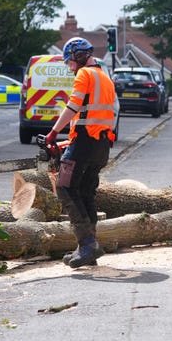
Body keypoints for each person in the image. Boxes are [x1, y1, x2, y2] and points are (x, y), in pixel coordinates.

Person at [45, 37, 118, 268]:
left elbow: (74, 106)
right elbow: (97, 115)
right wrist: (72, 139)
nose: (70, 67)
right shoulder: (105, 77)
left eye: (70, 62)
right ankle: (88, 246)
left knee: (65, 187)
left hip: (86, 142)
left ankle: (87, 243)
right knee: (85, 192)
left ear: (78, 56)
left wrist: (53, 133)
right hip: (101, 145)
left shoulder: (84, 75)